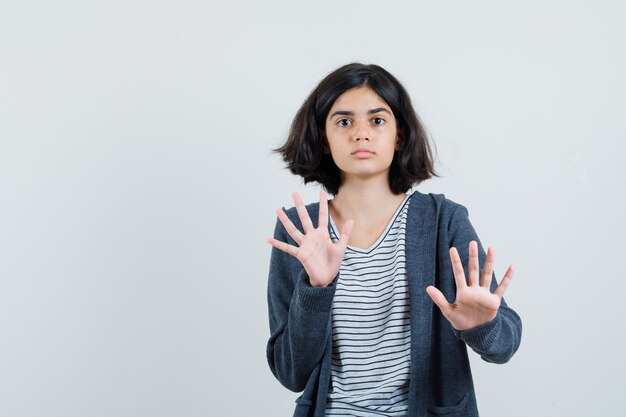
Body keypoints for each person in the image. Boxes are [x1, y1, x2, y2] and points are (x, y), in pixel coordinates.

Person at [266, 63, 522, 417]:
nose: (360, 133)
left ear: (399, 134)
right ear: (324, 139)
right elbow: (289, 372)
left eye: (377, 120)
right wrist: (316, 289)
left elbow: (505, 344)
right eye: (343, 121)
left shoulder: (442, 221)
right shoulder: (301, 230)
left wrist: (482, 326)